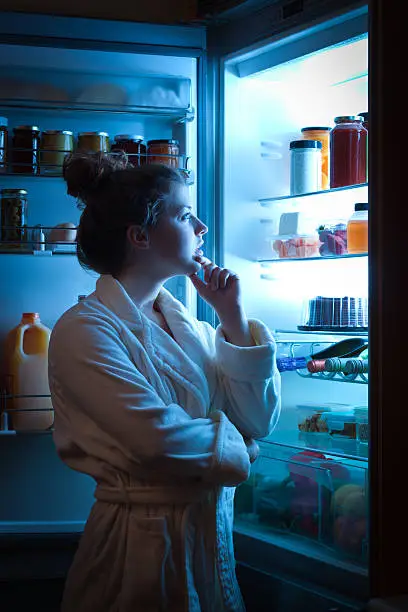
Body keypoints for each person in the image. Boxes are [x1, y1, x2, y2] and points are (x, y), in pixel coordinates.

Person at [48, 151, 281, 612]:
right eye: (184, 214)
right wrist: (240, 448)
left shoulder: (189, 326)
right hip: (136, 547)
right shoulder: (84, 330)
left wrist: (231, 316)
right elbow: (155, 439)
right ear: (139, 236)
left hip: (210, 540)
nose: (201, 228)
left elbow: (258, 419)